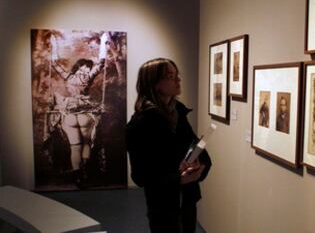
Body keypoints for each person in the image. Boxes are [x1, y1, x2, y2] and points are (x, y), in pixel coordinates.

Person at [126, 58, 212, 233]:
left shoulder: (178, 113)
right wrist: (178, 179)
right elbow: (141, 176)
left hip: (187, 198)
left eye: (177, 75)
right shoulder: (140, 124)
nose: (178, 80)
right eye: (171, 76)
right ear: (155, 84)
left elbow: (196, 146)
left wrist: (199, 164)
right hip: (163, 203)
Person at [45, 33, 110, 188]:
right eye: (87, 66)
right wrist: (103, 43)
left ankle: (77, 175)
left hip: (69, 115)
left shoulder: (68, 76)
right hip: (85, 115)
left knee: (75, 146)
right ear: (86, 67)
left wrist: (53, 45)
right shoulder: (88, 77)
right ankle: (84, 171)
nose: (87, 69)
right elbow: (101, 63)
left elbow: (54, 63)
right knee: (86, 143)